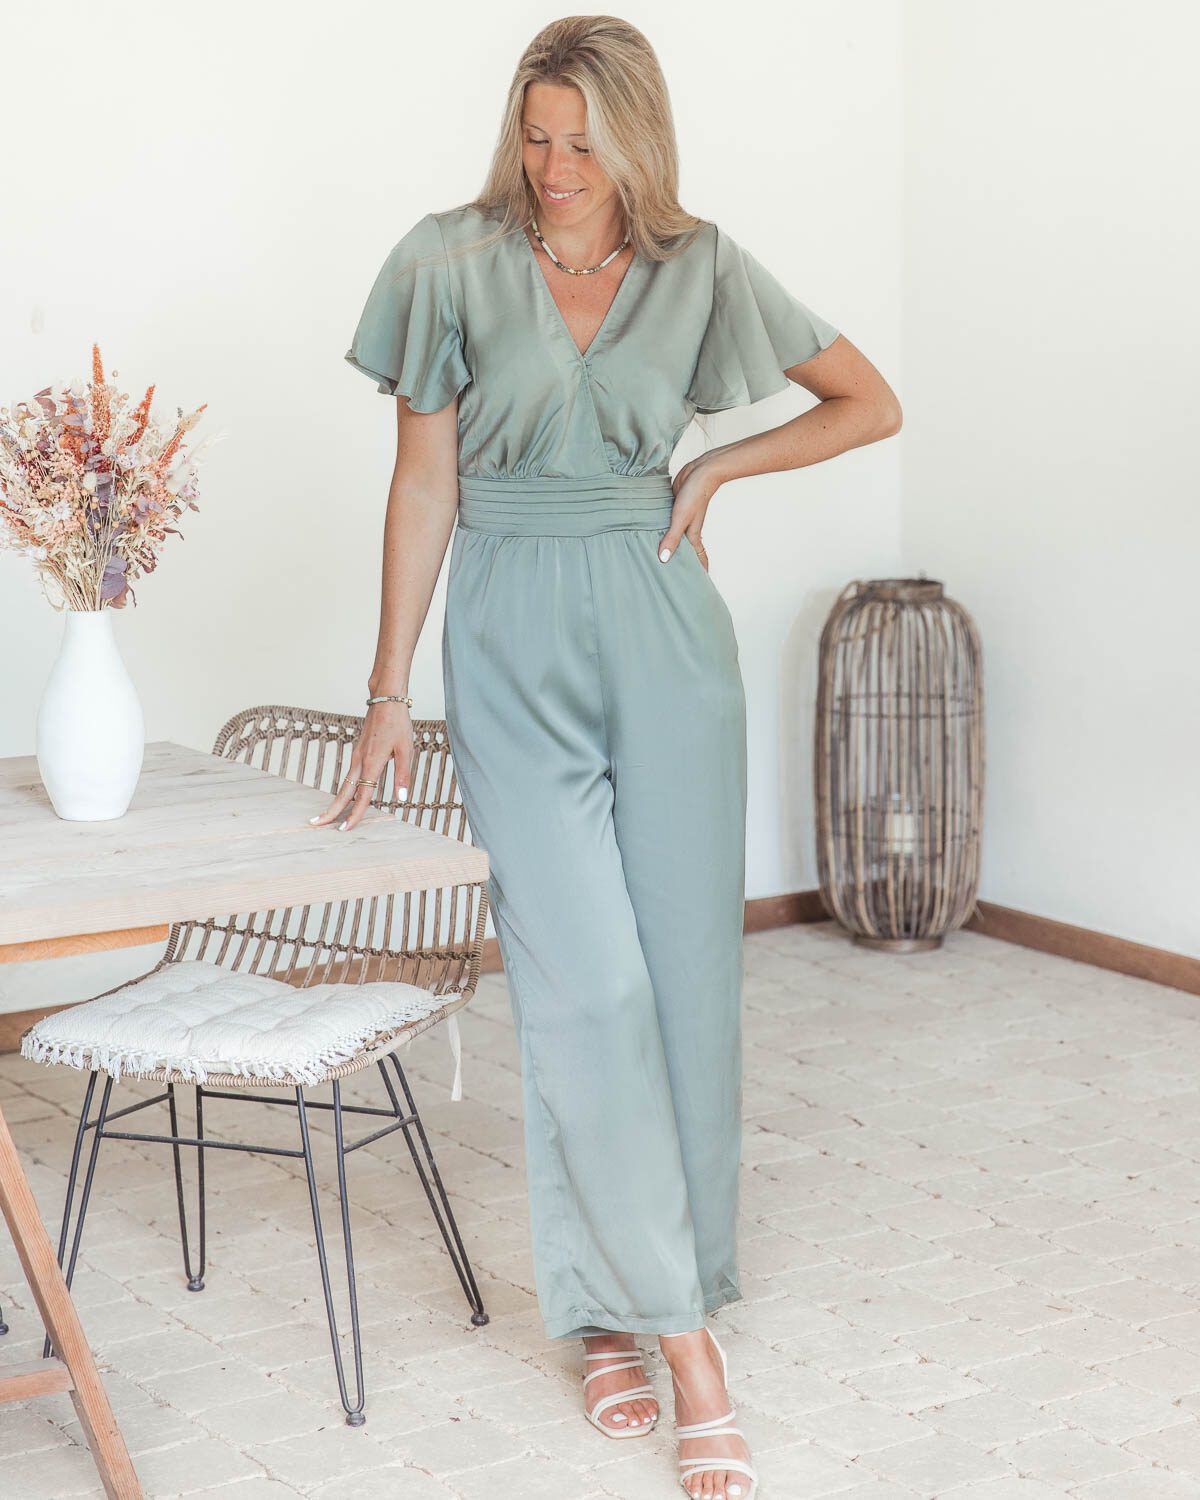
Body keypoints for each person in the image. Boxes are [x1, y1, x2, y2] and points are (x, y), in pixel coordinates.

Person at [316, 16, 901, 1499]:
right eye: (536, 135)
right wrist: (388, 688)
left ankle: (616, 1307)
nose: (556, 167)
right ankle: (684, 1345)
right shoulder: (447, 261)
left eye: (583, 141)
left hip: (665, 630)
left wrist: (716, 466)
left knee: (688, 985)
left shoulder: (704, 268)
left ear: (636, 139)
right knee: (587, 984)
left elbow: (870, 400)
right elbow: (422, 482)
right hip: (511, 634)